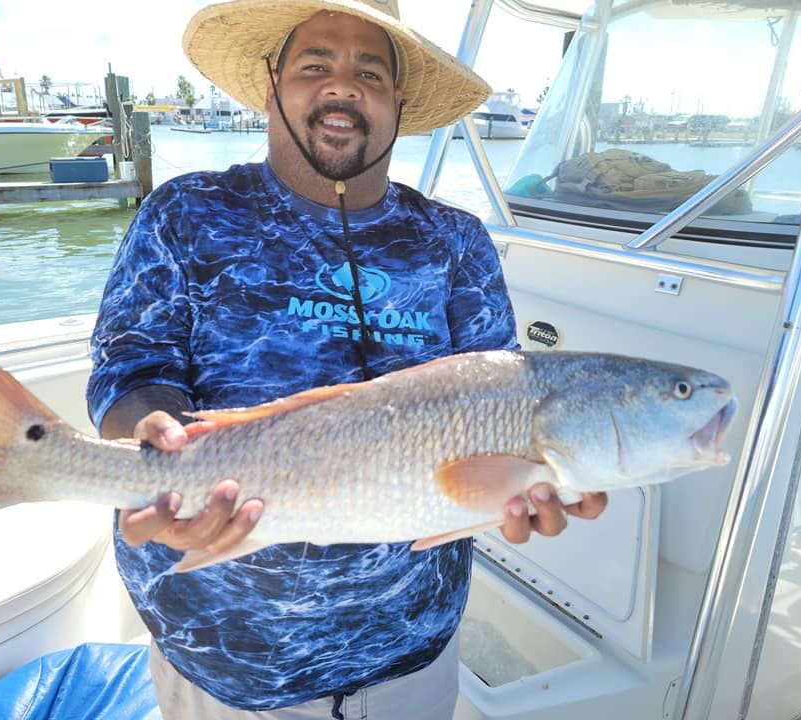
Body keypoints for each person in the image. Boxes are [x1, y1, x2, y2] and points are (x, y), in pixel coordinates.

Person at [87, 1, 608, 718]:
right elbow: (132, 371)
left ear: (398, 101)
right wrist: (161, 449)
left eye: (369, 70)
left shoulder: (454, 241)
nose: (342, 86)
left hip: (410, 662)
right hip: (223, 664)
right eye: (315, 65)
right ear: (272, 85)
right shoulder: (185, 213)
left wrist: (536, 482)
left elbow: (500, 407)